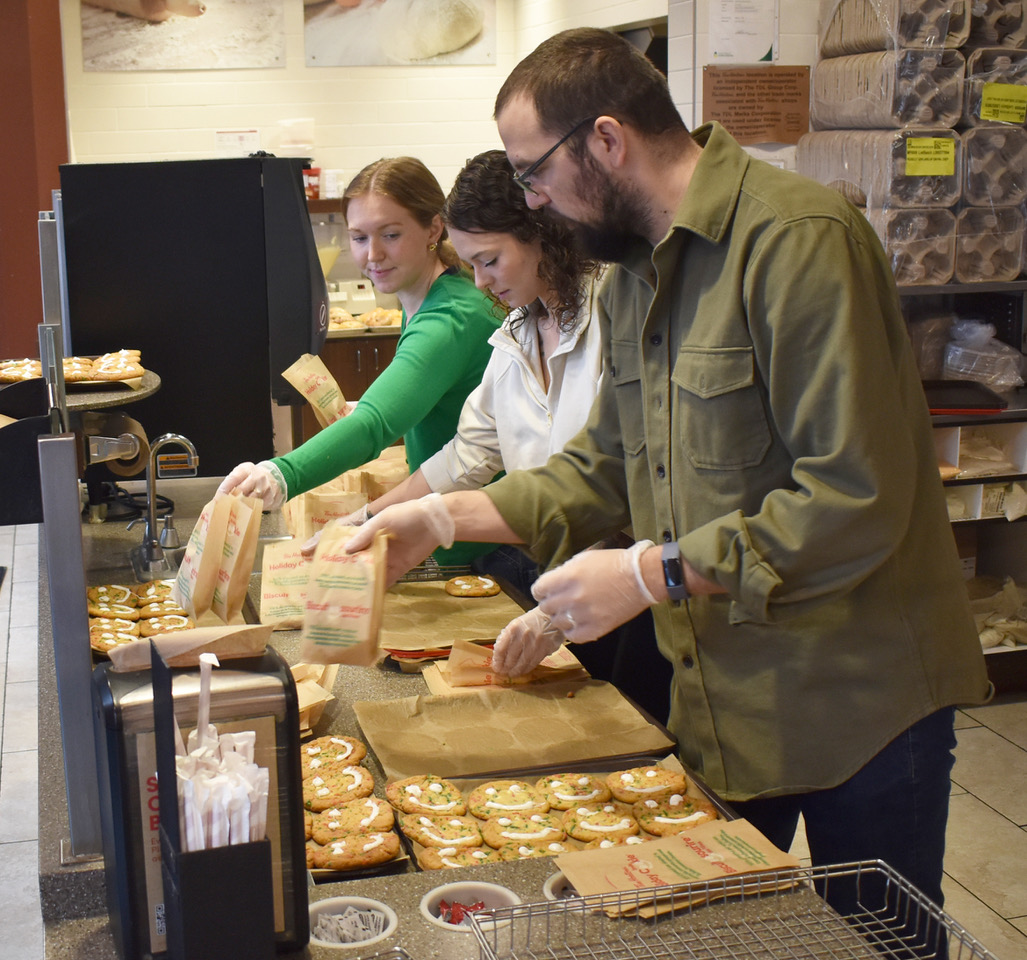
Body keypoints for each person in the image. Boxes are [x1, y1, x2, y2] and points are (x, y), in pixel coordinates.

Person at [345, 27, 992, 921]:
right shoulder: (633, 277)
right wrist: (445, 518)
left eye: (533, 173)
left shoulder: (795, 242)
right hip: (728, 697)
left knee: (877, 939)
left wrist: (652, 573)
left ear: (606, 140)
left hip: (858, 702)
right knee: (724, 930)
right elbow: (604, 463)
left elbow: (854, 496)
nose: (533, 201)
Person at [352, 149, 669, 721]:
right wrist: (371, 518)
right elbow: (468, 453)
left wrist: (555, 613)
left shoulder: (613, 318)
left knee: (637, 730)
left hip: (630, 589)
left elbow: (627, 482)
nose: (481, 281)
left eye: (491, 260)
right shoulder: (518, 331)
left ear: (542, 235)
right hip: (552, 573)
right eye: (471, 264)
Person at [217, 156, 500, 564]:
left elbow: (374, 426)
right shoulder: (425, 297)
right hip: (452, 525)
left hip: (482, 544)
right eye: (359, 237)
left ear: (433, 228)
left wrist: (281, 474)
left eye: (390, 234)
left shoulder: (450, 317)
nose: (373, 254)